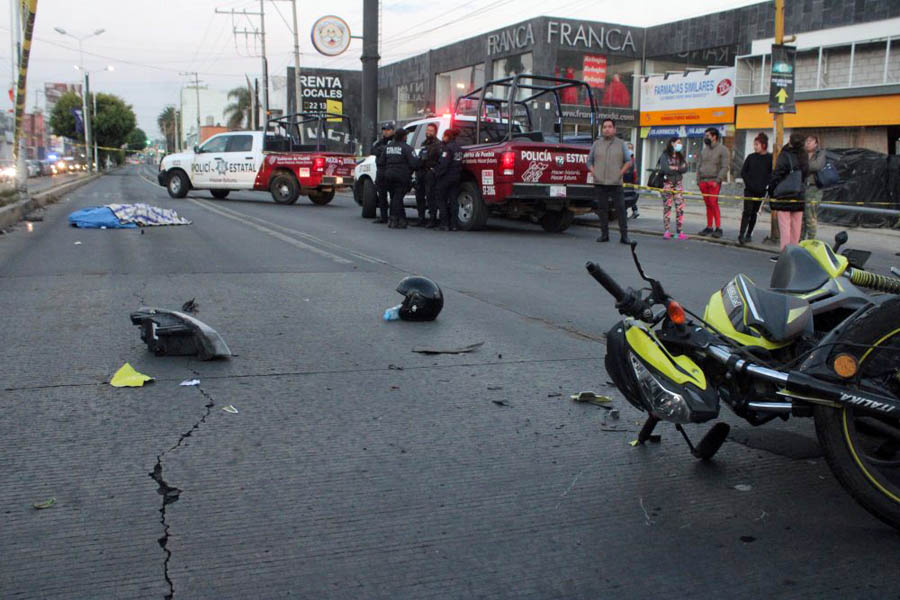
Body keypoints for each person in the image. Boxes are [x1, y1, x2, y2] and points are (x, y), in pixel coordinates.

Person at [588, 118, 632, 244]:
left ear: (614, 129)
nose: (607, 129)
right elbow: (589, 161)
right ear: (602, 129)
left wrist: (620, 173)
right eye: (604, 127)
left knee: (621, 209)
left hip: (615, 183)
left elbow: (628, 161)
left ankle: (624, 236)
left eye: (609, 126)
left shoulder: (620, 144)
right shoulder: (597, 144)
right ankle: (604, 235)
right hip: (600, 183)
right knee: (602, 210)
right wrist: (594, 172)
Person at [768, 133, 809, 250]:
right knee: (796, 225)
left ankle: (785, 252)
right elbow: (806, 173)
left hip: (784, 194)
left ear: (790, 142)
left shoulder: (785, 155)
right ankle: (795, 250)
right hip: (799, 193)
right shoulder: (804, 155)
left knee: (785, 225)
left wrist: (772, 190)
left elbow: (777, 174)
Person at [738, 132, 772, 245]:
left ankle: (749, 234)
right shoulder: (751, 157)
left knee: (754, 213)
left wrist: (765, 186)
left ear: (763, 145)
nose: (755, 147)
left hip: (761, 191)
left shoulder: (769, 158)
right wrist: (749, 183)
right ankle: (741, 234)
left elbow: (770, 174)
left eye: (757, 144)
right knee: (746, 212)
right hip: (749, 190)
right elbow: (743, 172)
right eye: (754, 144)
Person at [383, 127, 420, 229]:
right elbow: (415, 163)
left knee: (395, 197)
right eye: (406, 136)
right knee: (398, 198)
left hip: (389, 175)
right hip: (401, 176)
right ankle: (394, 219)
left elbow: (381, 161)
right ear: (403, 137)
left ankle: (401, 220)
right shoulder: (407, 148)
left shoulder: (388, 147)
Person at [696, 127, 729, 238]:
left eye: (708, 136)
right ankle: (709, 226)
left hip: (714, 181)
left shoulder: (723, 149)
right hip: (703, 181)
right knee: (708, 204)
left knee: (713, 203)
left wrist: (718, 180)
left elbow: (725, 167)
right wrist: (698, 180)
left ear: (714, 137)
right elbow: (699, 165)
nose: (706, 138)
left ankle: (718, 227)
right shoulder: (704, 150)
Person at [656, 137, 687, 240]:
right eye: (678, 143)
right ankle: (667, 231)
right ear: (672, 143)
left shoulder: (680, 156)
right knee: (667, 208)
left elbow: (685, 168)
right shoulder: (665, 155)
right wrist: (678, 168)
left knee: (680, 208)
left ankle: (679, 231)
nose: (680, 145)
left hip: (678, 184)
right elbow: (665, 169)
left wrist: (674, 168)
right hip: (667, 184)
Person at [434, 128, 463, 231]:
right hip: (456, 177)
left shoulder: (447, 148)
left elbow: (443, 164)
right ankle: (454, 224)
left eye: (443, 136)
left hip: (446, 178)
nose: (442, 138)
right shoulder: (459, 148)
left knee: (441, 200)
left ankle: (444, 223)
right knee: (454, 200)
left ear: (447, 136)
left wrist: (436, 173)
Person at [414, 123, 441, 227]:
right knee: (419, 196)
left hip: (430, 173)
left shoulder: (438, 144)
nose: (428, 132)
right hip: (421, 172)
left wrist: (434, 170)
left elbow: (440, 161)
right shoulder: (424, 143)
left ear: (435, 132)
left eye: (431, 131)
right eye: (428, 130)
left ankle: (432, 219)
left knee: (430, 197)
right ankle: (421, 218)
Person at [371, 122, 395, 224]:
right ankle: (383, 216)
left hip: (391, 170)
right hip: (381, 171)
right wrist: (383, 150)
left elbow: (390, 154)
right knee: (382, 195)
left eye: (388, 130)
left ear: (393, 131)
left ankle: (394, 216)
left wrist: (383, 150)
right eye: (384, 130)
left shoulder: (395, 141)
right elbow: (373, 151)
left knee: (394, 195)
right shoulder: (380, 142)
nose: (386, 132)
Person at [803, 135, 826, 240]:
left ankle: (811, 239)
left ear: (816, 143)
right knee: (801, 216)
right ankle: (800, 240)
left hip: (814, 188)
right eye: (806, 141)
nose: (808, 143)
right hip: (803, 187)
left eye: (810, 141)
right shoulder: (803, 154)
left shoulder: (820, 154)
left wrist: (805, 165)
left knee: (810, 215)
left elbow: (817, 166)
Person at [623, 142, 639, 219]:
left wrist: (635, 181)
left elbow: (635, 171)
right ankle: (634, 211)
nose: (630, 150)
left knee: (627, 196)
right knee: (628, 196)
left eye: (631, 148)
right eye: (628, 148)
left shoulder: (631, 159)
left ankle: (627, 213)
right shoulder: (625, 158)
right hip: (625, 180)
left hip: (628, 180)